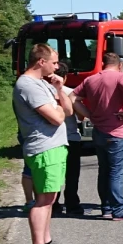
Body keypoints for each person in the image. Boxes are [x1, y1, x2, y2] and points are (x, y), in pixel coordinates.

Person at [13, 43, 77, 244]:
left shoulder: (45, 83)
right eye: (54, 62)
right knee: (43, 200)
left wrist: (59, 90)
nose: (57, 66)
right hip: (44, 148)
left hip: (55, 146)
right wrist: (59, 109)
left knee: (50, 198)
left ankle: (46, 241)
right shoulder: (28, 85)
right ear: (41, 62)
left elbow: (68, 112)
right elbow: (57, 117)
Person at [72, 51, 123, 220]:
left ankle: (106, 207)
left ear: (103, 64)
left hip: (99, 132)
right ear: (119, 65)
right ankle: (119, 209)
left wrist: (89, 115)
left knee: (104, 171)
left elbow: (72, 98)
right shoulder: (120, 77)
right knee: (117, 172)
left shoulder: (91, 79)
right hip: (117, 133)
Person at [52, 61, 86, 217]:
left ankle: (53, 204)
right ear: (65, 77)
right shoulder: (69, 92)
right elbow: (81, 115)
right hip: (71, 137)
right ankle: (72, 204)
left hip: (52, 139)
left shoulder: (43, 92)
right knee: (72, 175)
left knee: (55, 174)